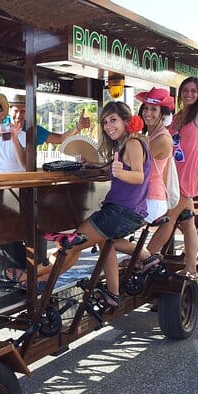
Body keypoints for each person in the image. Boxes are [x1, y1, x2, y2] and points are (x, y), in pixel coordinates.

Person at [35, 101, 151, 305]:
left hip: (120, 212)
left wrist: (119, 173)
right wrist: (95, 166)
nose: (108, 126)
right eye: (105, 122)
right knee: (105, 243)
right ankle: (113, 294)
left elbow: (138, 176)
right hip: (128, 212)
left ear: (127, 121)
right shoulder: (125, 144)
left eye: (113, 120)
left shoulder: (133, 143)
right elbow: (113, 169)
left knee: (71, 245)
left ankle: (38, 279)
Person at [144, 57, 198, 280]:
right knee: (187, 220)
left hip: (188, 176)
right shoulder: (175, 118)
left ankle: (144, 258)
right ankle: (191, 268)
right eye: (185, 90)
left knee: (169, 218)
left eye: (193, 91)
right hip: (172, 174)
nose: (189, 94)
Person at [0, 94, 92, 287]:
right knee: (9, 236)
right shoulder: (2, 129)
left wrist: (77, 127)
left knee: (36, 232)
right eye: (16, 110)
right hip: (4, 189)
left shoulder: (33, 130)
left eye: (23, 110)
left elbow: (59, 139)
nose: (19, 114)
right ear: (9, 111)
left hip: (26, 189)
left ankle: (32, 278)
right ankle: (28, 278)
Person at [114, 87, 174, 271]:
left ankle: (147, 258)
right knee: (106, 233)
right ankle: (141, 259)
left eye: (153, 109)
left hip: (152, 201)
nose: (148, 113)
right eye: (145, 108)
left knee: (108, 236)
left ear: (163, 113)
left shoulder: (163, 139)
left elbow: (133, 161)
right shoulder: (150, 136)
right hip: (144, 198)